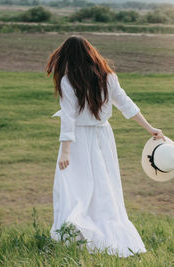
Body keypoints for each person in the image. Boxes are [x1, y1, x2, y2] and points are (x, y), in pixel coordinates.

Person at [45, 35, 165, 257]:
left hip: (80, 140)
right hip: (102, 137)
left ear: (67, 56)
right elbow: (126, 104)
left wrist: (65, 150)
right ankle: (98, 232)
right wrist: (149, 128)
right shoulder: (108, 77)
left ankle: (77, 235)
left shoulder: (68, 80)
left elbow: (69, 118)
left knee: (74, 188)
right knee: (103, 186)